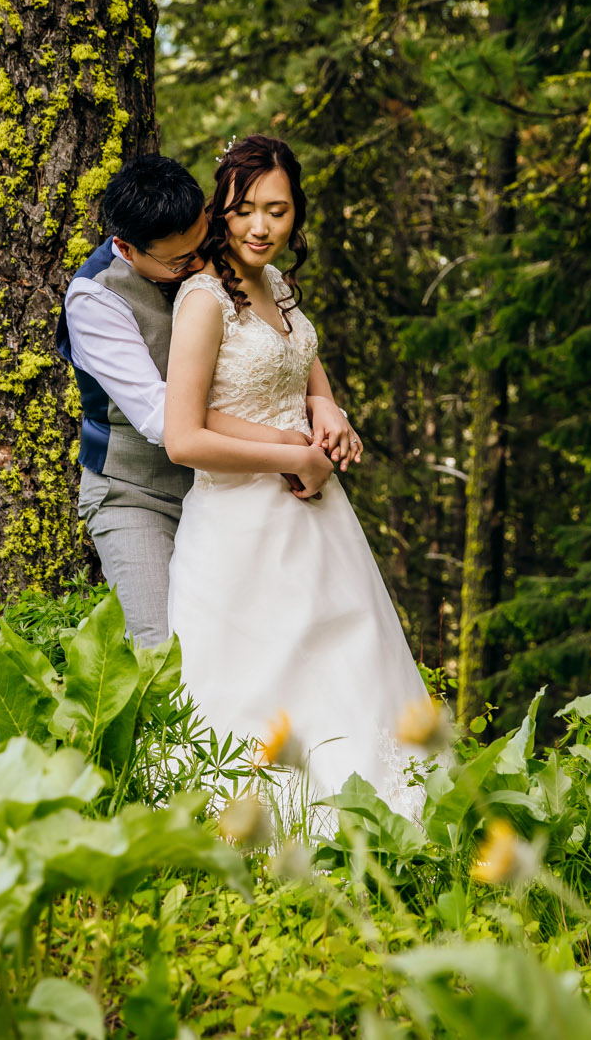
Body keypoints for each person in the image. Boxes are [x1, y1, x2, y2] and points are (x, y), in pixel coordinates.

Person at [162, 136, 435, 820]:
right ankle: (262, 821)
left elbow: (300, 360)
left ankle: (369, 809)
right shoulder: (202, 300)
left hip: (317, 515)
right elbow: (183, 437)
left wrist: (329, 406)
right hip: (239, 525)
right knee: (260, 673)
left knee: (347, 655)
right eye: (246, 209)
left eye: (278, 211)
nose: (261, 227)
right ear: (220, 209)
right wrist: (293, 455)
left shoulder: (276, 284)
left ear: (296, 214)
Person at [59, 155, 359, 648]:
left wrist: (320, 401)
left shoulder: (216, 246)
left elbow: (279, 337)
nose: (199, 265)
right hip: (139, 492)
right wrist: (288, 443)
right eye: (180, 262)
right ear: (127, 249)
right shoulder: (96, 299)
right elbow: (164, 418)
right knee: (166, 652)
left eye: (203, 244)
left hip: (233, 488)